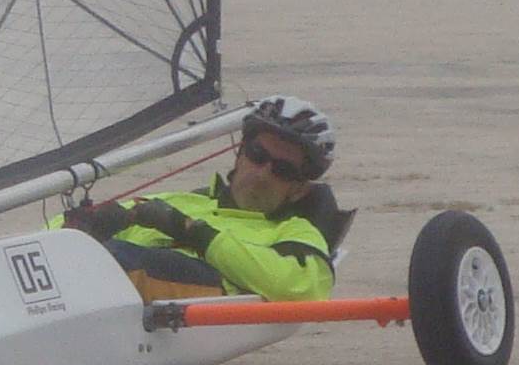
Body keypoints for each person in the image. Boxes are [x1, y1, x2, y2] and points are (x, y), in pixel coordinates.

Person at [57, 97, 339, 302]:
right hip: (114, 276)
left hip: (191, 287)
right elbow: (51, 241)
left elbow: (302, 289)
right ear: (240, 152)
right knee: (76, 251)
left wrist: (195, 233)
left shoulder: (295, 232)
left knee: (113, 261)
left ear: (299, 188)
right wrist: (82, 226)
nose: (263, 173)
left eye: (283, 170)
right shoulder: (179, 201)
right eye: (257, 155)